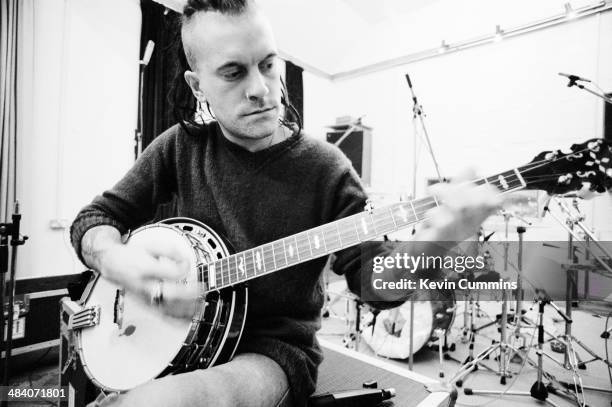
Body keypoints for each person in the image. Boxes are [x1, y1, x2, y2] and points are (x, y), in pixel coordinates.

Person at [70, 0, 501, 406]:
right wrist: (115, 259)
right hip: (170, 340)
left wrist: (434, 243)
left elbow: (374, 286)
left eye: (269, 64)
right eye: (234, 73)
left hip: (271, 355)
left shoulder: (326, 168)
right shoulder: (180, 147)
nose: (261, 89)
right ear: (197, 86)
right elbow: (95, 219)